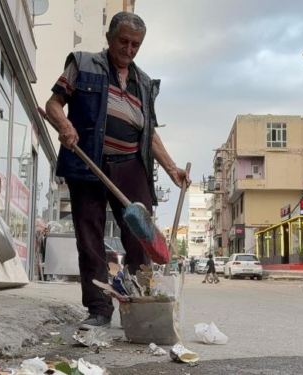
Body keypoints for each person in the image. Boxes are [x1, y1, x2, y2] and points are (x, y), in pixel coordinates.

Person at [45, 12, 190, 330]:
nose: (129, 48)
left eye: (135, 44)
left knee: (141, 238)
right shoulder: (82, 64)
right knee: (90, 238)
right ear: (109, 38)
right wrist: (65, 124)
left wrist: (171, 168)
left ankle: (140, 305)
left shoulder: (145, 83)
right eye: (123, 41)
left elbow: (148, 132)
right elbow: (53, 104)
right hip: (89, 164)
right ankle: (99, 309)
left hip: (131, 168)